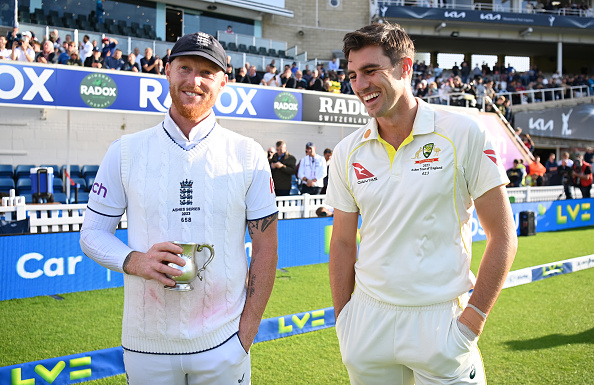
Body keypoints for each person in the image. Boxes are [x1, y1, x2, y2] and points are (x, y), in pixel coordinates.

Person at [79, 32, 278, 385]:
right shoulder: (125, 151)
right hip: (146, 345)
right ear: (167, 71)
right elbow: (92, 234)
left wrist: (245, 334)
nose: (194, 81)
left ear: (223, 83)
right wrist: (136, 261)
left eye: (207, 72)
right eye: (185, 68)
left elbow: (265, 247)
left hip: (224, 342)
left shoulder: (248, 153)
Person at [326, 23, 516, 385]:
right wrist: (344, 319)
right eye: (352, 75)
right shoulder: (346, 152)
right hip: (367, 323)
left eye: (371, 71)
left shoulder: (463, 134)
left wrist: (473, 319)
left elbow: (503, 236)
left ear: (406, 67)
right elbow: (343, 242)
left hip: (441, 321)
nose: (360, 85)